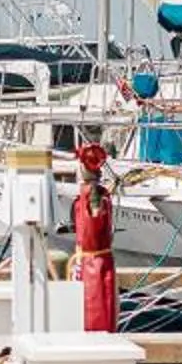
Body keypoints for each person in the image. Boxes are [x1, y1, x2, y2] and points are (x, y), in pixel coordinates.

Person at [72, 140, 117, 333]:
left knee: (95, 315)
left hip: (93, 266)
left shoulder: (93, 195)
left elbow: (95, 220)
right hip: (93, 263)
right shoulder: (99, 194)